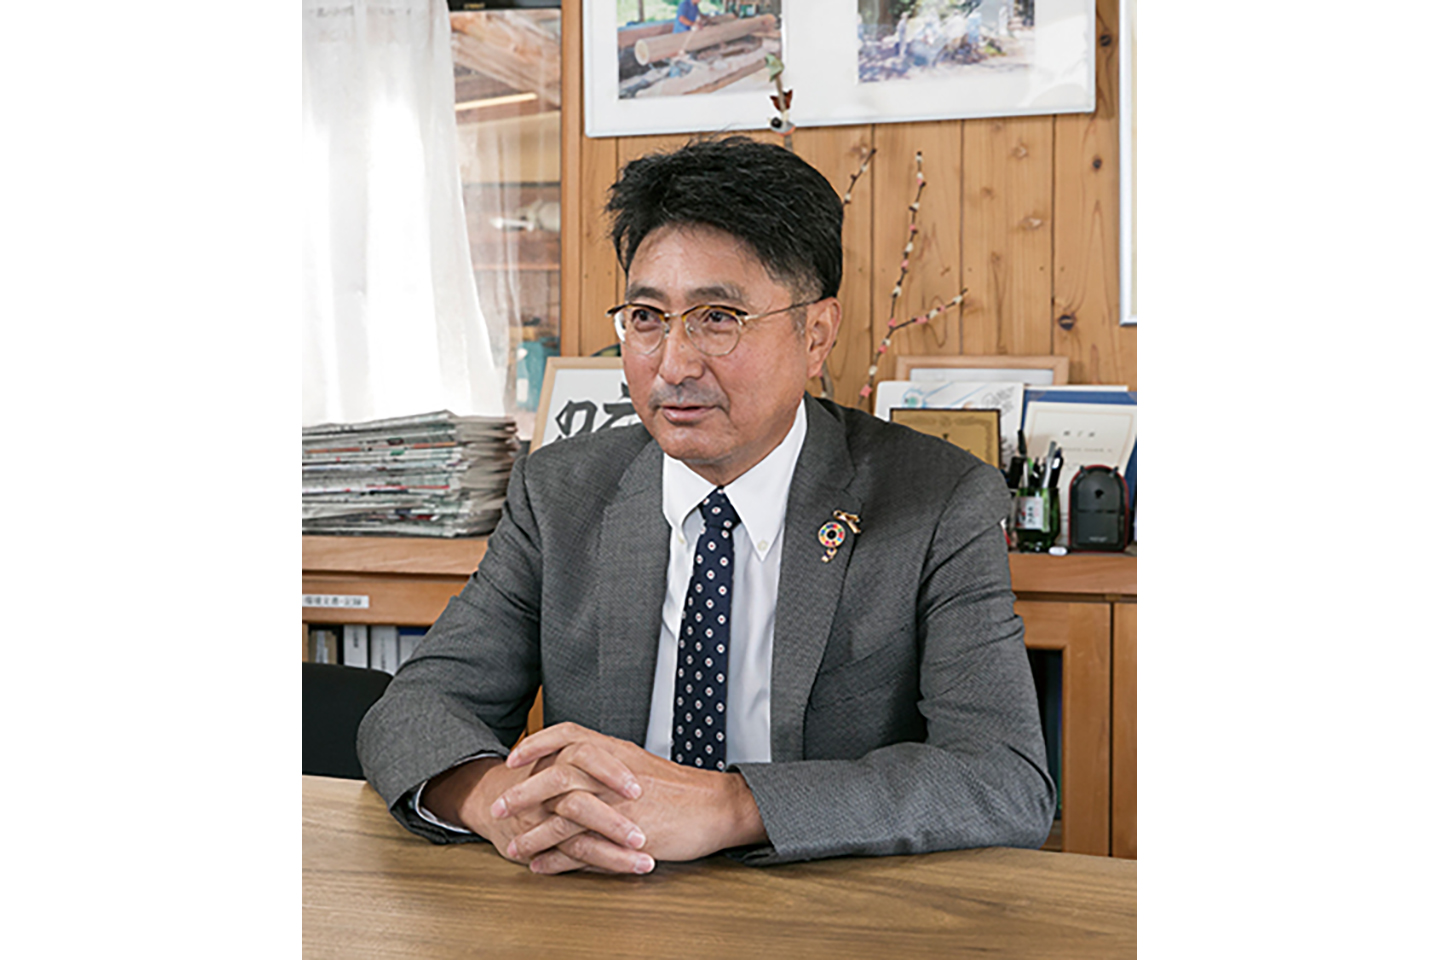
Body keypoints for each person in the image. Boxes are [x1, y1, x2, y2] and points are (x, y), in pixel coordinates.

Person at [357, 136, 1055, 875]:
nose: (673, 364)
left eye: (718, 317)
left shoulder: (937, 499)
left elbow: (1003, 779)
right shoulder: (562, 492)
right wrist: (502, 801)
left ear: (816, 335)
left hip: (824, 907)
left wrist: (729, 806)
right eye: (647, 317)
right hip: (600, 897)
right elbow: (414, 710)